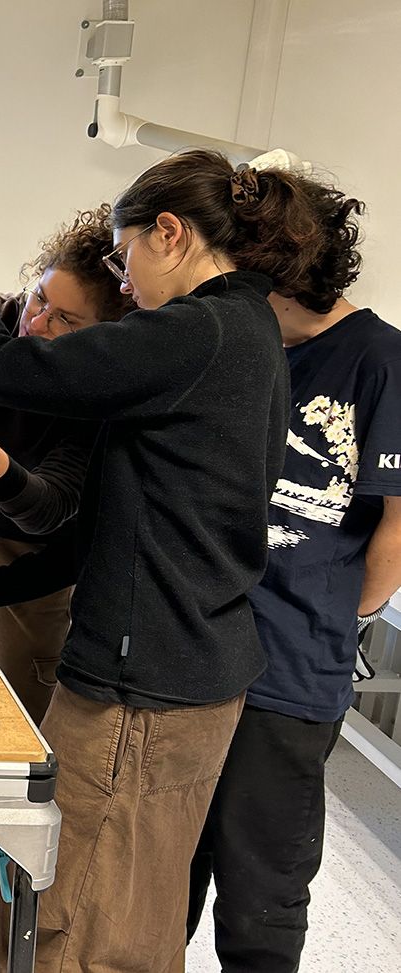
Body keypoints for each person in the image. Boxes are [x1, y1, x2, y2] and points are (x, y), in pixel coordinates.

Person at [0, 148, 329, 972]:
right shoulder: (247, 333)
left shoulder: (194, 333)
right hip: (188, 678)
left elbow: (0, 366)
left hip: (141, 696)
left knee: (69, 913)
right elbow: (106, 530)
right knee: (132, 906)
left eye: (124, 249)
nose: (123, 278)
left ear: (169, 233)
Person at [183, 177, 401, 972]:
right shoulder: (236, 343)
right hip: (199, 648)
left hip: (288, 671)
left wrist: (335, 611)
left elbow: (396, 531)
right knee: (167, 872)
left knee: (261, 891)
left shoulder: (380, 359)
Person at [0, 206, 135, 904]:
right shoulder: (3, 318)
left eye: (64, 321)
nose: (37, 323)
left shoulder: (97, 394)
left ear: (102, 338)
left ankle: (0, 856)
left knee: (19, 712)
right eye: (41, 296)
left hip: (31, 556)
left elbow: (48, 506)